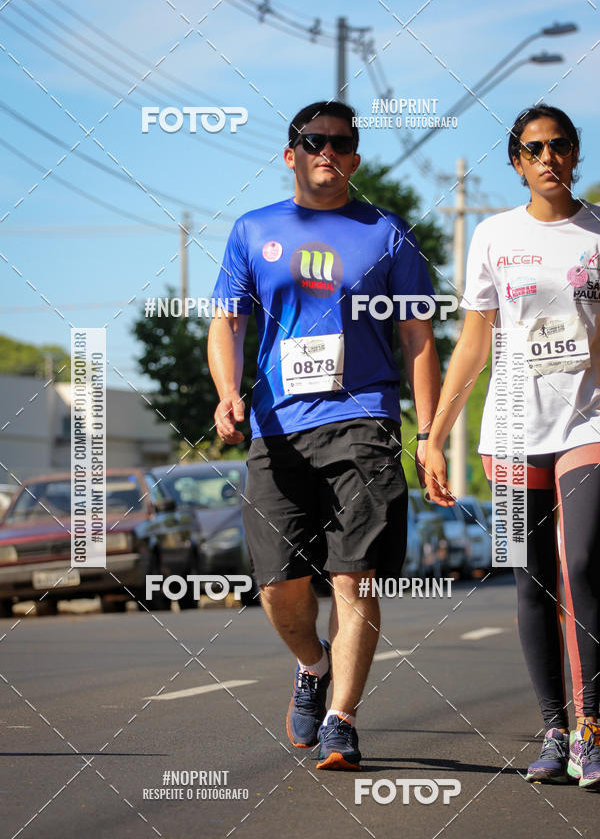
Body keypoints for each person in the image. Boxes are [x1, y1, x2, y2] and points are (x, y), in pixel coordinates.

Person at [208, 100, 441, 770]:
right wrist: (228, 393)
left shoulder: (386, 233)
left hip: (363, 420)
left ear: (355, 158)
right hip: (277, 427)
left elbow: (418, 335)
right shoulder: (253, 231)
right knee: (279, 583)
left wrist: (427, 433)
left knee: (354, 575)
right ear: (291, 153)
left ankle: (342, 718)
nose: (326, 151)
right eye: (313, 141)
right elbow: (226, 322)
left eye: (340, 143)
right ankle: (312, 666)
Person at [425, 104, 600, 789]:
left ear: (574, 153)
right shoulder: (495, 236)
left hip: (588, 424)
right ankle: (554, 730)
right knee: (530, 579)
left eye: (559, 145)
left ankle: (593, 729)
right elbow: (472, 343)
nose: (548, 157)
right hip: (510, 431)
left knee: (581, 564)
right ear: (517, 161)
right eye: (534, 148)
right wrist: (435, 434)